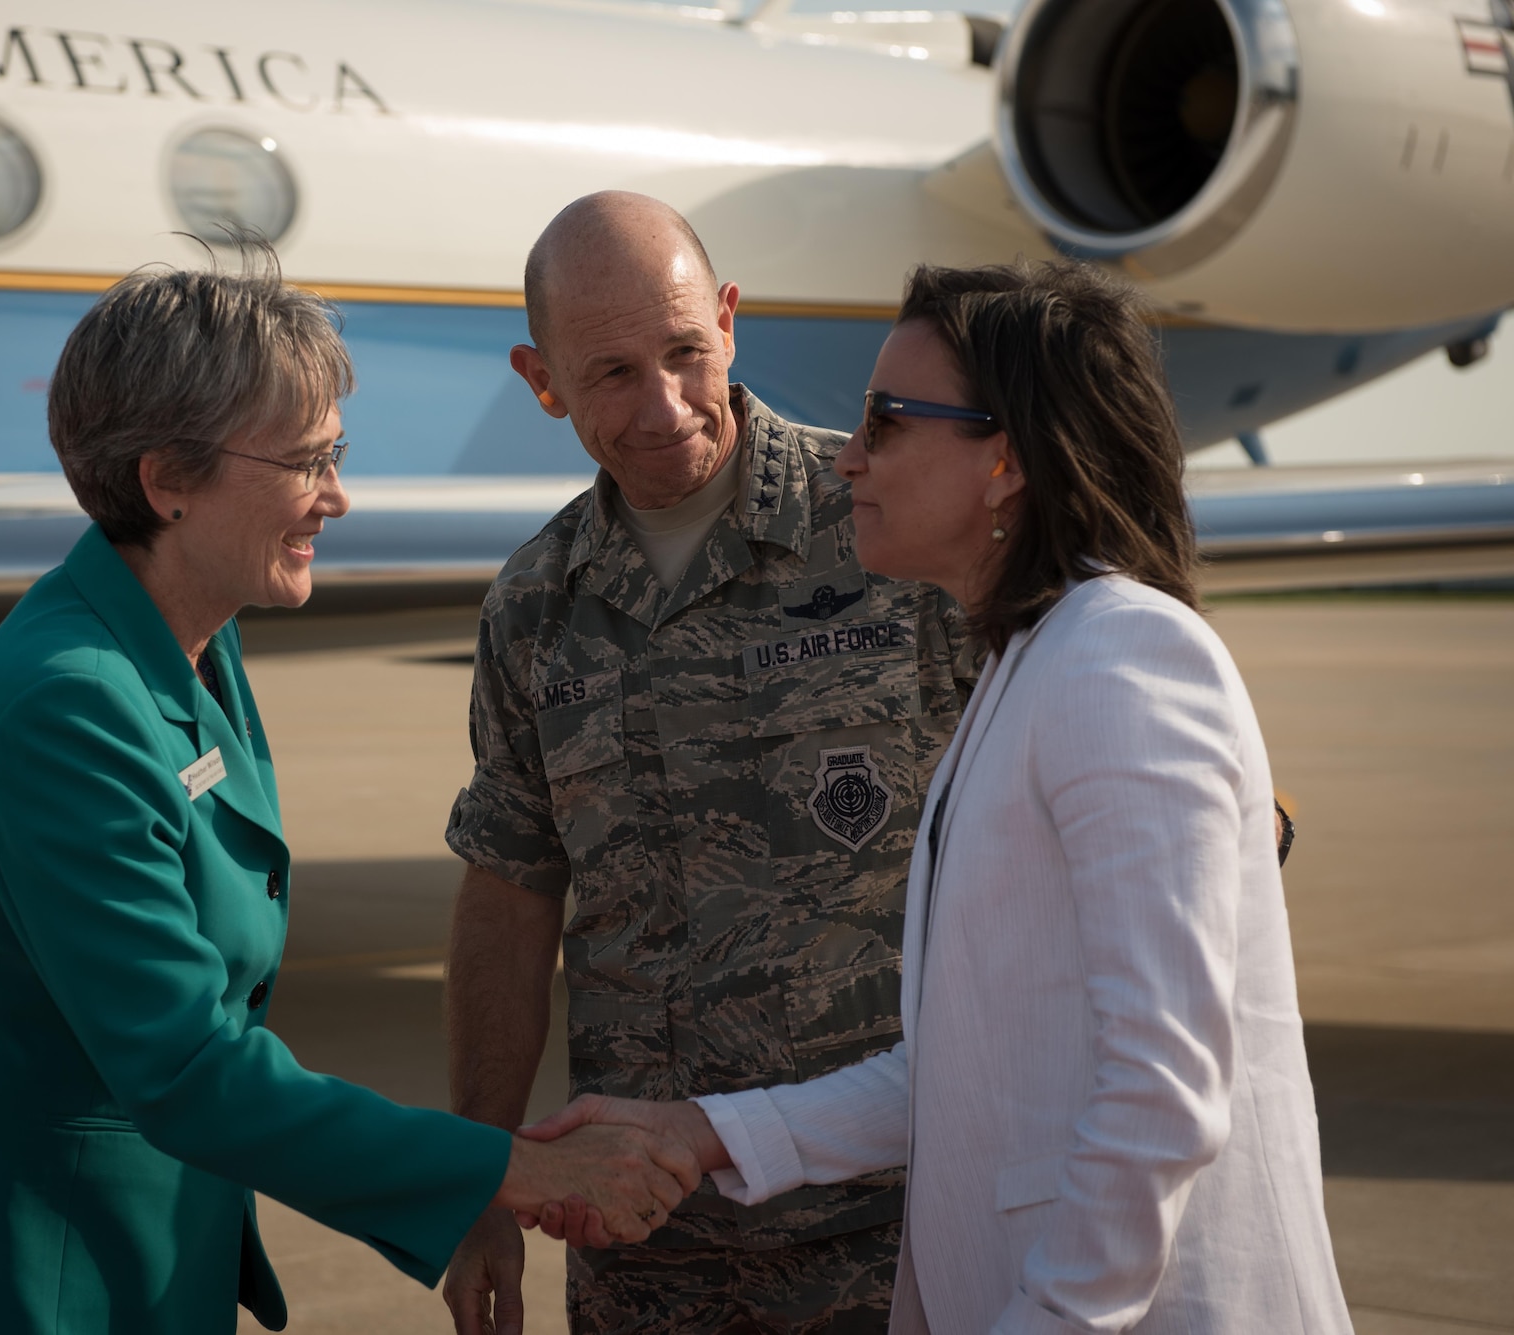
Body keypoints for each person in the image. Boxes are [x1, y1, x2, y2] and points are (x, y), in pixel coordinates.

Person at [0, 255, 701, 1335]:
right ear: (166, 483)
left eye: (335, 454)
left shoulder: (189, 643)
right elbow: (188, 1066)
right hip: (15, 1276)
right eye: (304, 462)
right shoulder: (66, 710)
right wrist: (503, 1173)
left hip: (137, 1261)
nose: (336, 496)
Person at [523, 261, 1354, 1334]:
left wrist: (1050, 1317)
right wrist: (702, 1132)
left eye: (886, 421)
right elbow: (967, 1069)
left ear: (1003, 458)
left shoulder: (1123, 662)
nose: (851, 456)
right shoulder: (1029, 663)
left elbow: (1161, 1090)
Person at [442, 192, 974, 1335]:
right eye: (611, 375)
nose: (665, 405)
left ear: (728, 322)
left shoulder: (890, 534)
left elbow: (1078, 776)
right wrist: (477, 1184)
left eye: (685, 353)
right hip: (648, 1247)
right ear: (541, 384)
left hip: (901, 1229)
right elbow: (508, 892)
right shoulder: (536, 606)